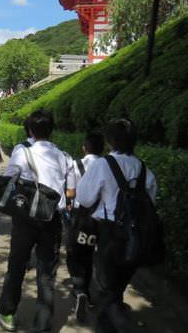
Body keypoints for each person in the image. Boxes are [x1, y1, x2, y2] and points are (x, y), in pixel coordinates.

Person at [0, 110, 75, 333]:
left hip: (26, 217)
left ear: (30, 130)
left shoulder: (23, 150)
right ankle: (43, 325)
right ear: (52, 130)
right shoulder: (64, 155)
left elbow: (11, 177)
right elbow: (70, 191)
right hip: (52, 219)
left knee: (17, 265)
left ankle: (7, 312)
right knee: (47, 273)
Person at [76, 120, 157, 333]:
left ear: (110, 141)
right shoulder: (143, 169)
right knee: (117, 287)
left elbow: (84, 198)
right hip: (136, 237)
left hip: (109, 234)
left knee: (106, 291)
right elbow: (151, 202)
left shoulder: (103, 165)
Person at [64, 132, 105, 322]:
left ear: (84, 148)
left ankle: (80, 289)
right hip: (101, 218)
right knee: (90, 255)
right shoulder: (107, 166)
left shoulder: (76, 164)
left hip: (80, 215)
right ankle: (86, 290)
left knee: (74, 251)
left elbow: (70, 192)